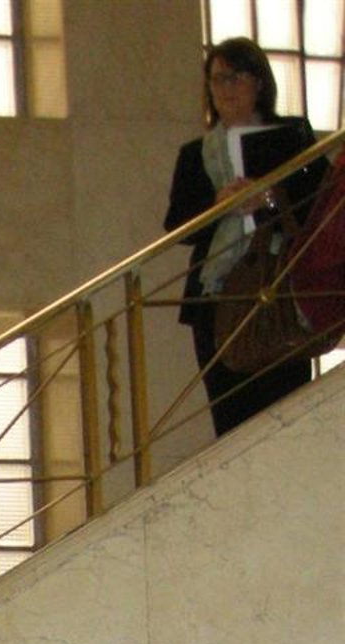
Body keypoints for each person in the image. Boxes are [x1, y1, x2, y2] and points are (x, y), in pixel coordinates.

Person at [163, 36, 323, 438]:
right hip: (216, 297)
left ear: (259, 82)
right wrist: (219, 206)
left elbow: (319, 204)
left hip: (278, 286)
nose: (226, 88)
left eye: (236, 77)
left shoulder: (292, 138)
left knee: (286, 418)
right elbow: (177, 226)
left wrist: (268, 198)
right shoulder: (195, 153)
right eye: (217, 79)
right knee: (230, 420)